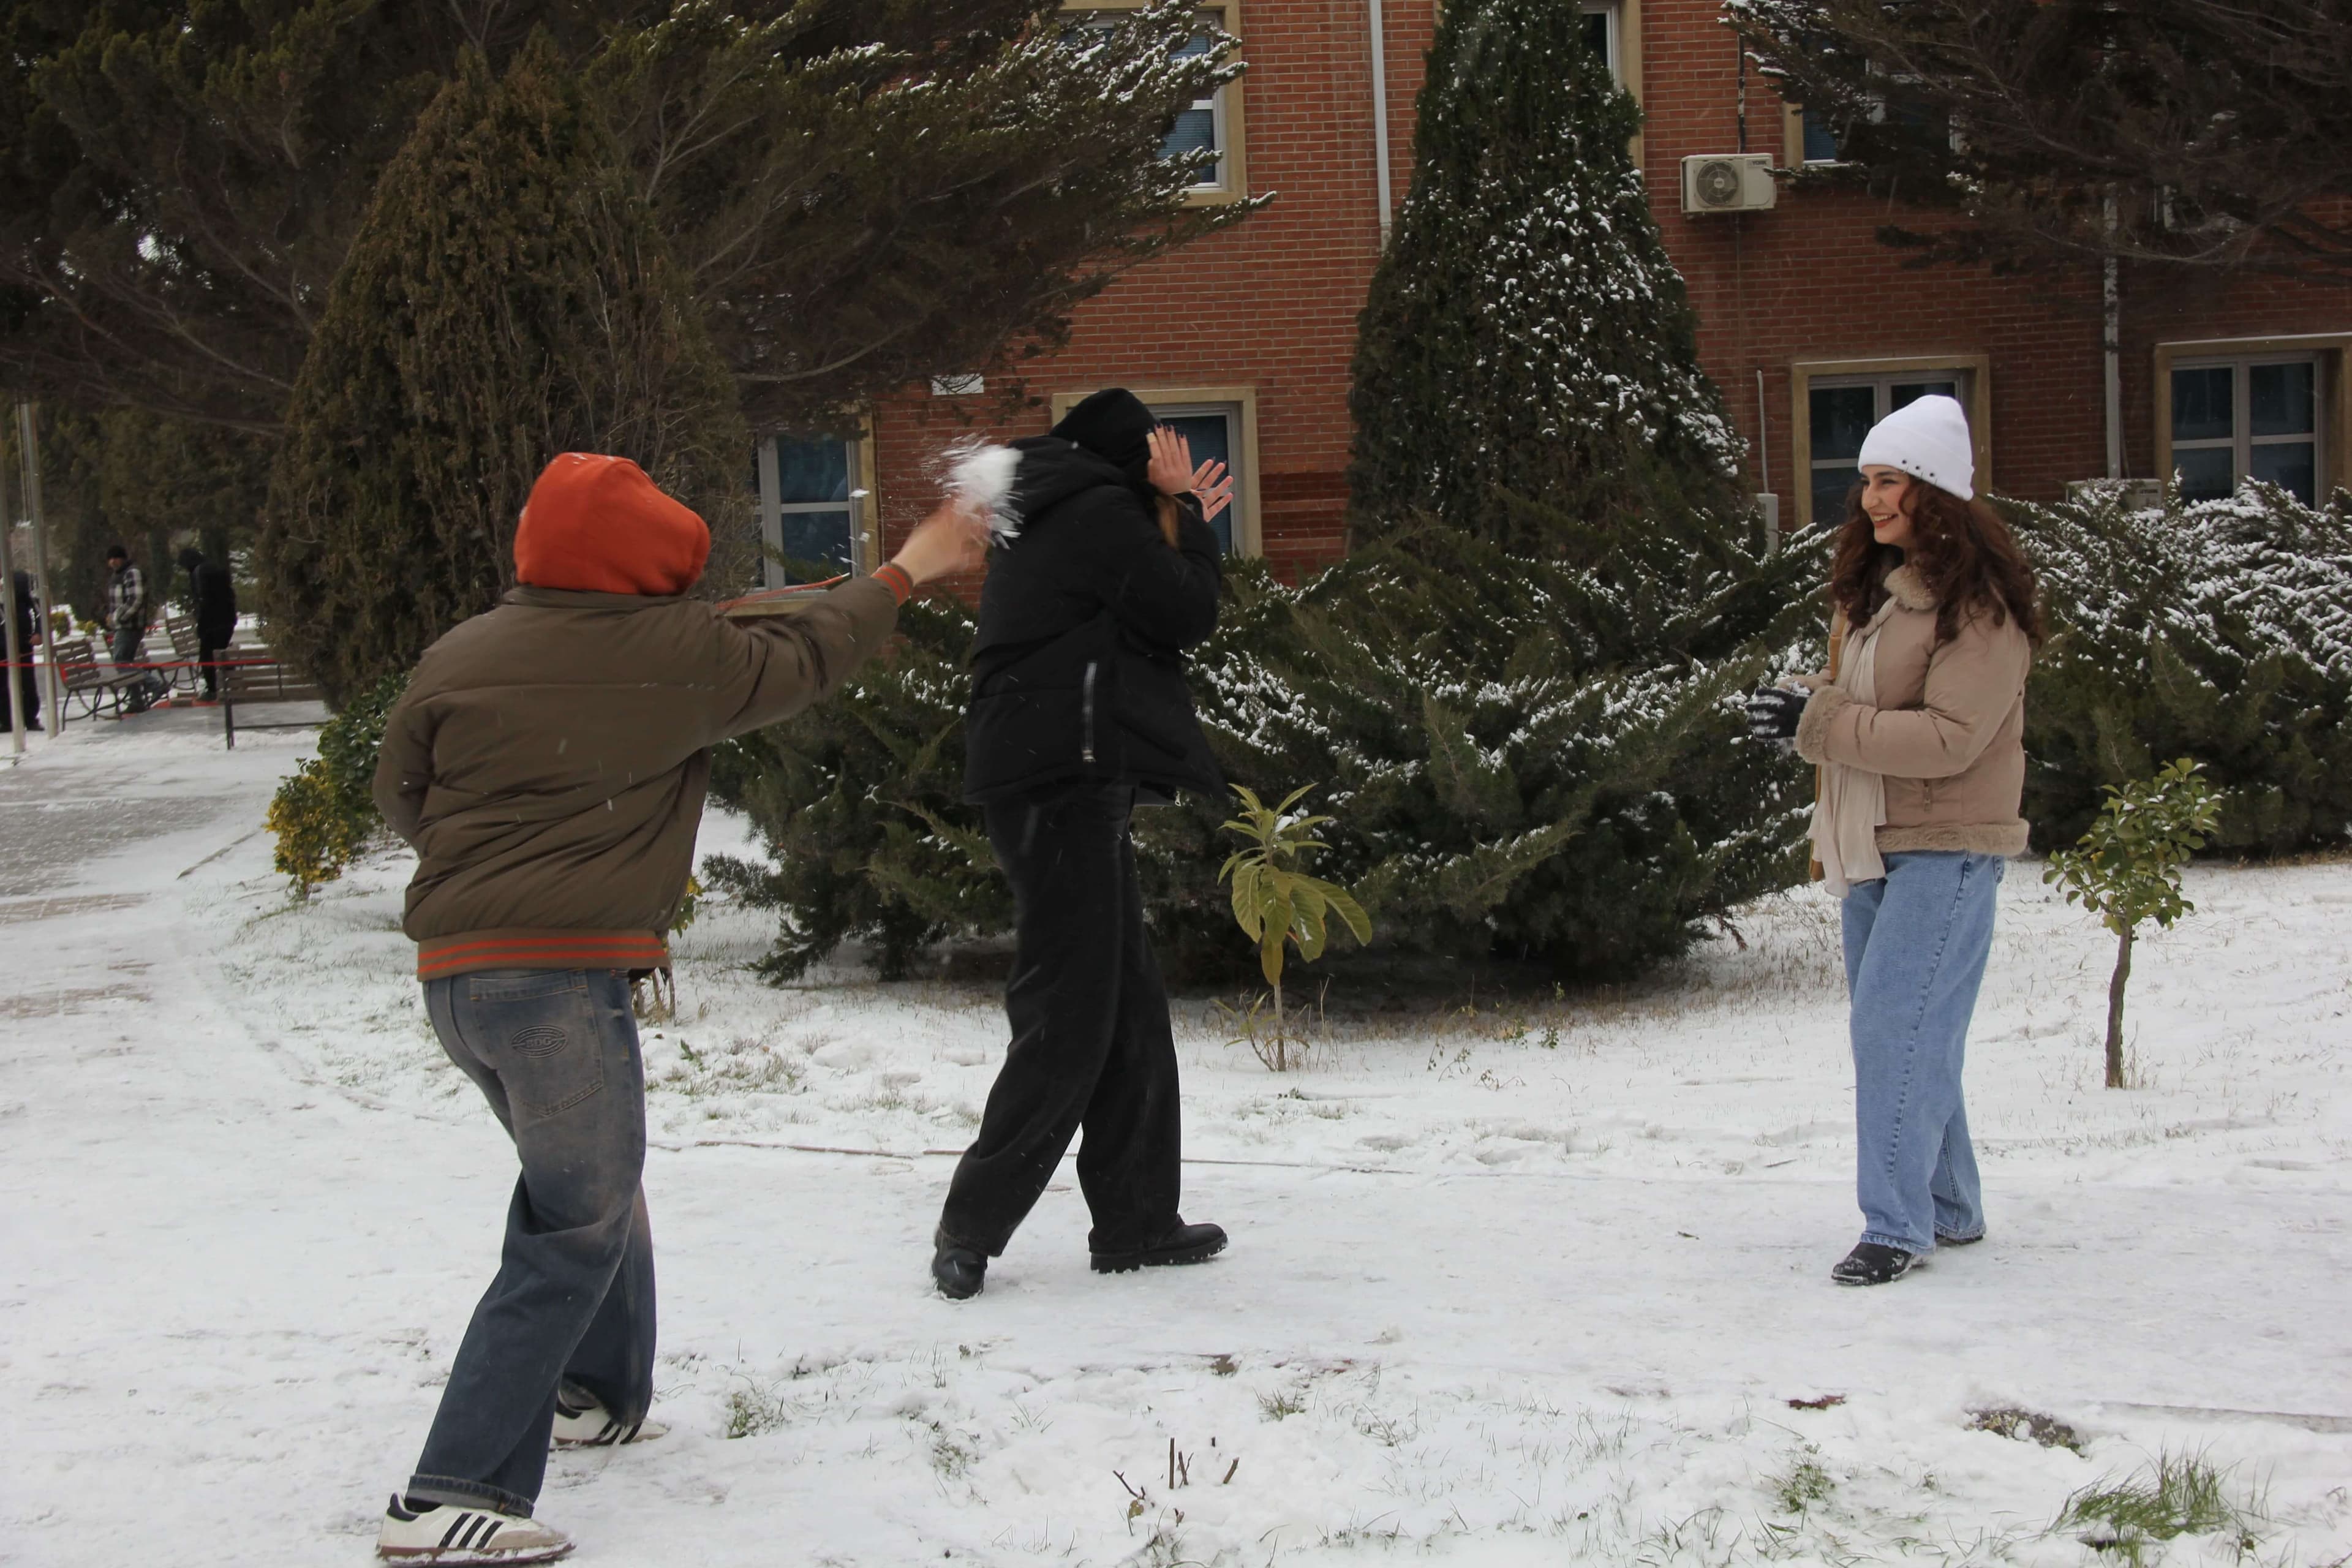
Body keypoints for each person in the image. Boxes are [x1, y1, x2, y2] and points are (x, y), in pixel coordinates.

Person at [368, 453, 987, 1563]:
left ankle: (596, 1392)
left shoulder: (461, 651)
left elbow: (399, 788)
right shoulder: (671, 657)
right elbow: (808, 652)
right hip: (556, 984)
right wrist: (912, 566)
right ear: (649, 569)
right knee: (575, 1222)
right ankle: (449, 1494)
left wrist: (487, 879)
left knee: (592, 1188)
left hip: (458, 983)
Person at [931, 388, 1236, 1300]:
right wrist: (1187, 510)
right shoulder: (1101, 511)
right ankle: (971, 1225)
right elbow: (1184, 610)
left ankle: (1138, 1219)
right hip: (1061, 781)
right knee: (1070, 1011)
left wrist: (1169, 510)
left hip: (1056, 777)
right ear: (1135, 458)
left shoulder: (1060, 507)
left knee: (1128, 1005)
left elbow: (1141, 611)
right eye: (1161, 454)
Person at [1746, 394, 2042, 1287]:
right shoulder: (1876, 595)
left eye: (1892, 483)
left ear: (1939, 494)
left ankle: (1895, 1226)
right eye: (1867, 481)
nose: (1872, 500)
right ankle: (1950, 1207)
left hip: (1946, 846)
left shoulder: (1980, 610)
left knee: (1893, 1032)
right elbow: (1864, 706)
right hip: (1870, 840)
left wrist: (1823, 720)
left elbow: (1952, 738)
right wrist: (1800, 701)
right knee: (1915, 1032)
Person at [102, 544, 169, 713]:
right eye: (110, 559)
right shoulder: (118, 575)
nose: (112, 562)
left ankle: (156, 686)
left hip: (130, 626)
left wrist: (117, 617)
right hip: (122, 626)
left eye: (115, 558)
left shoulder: (132, 573)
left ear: (122, 558)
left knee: (121, 663)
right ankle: (136, 700)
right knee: (125, 662)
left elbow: (136, 600)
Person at [176, 546, 238, 702]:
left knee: (207, 655)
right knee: (221, 652)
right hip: (228, 619)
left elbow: (204, 599)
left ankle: (212, 689)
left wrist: (202, 625)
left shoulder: (198, 573)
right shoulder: (214, 568)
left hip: (212, 621)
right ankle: (230, 684)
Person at [4, 569, 39, 733]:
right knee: (2, 685)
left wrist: (38, 632)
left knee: (27, 682)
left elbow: (38, 612)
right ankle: (6, 720)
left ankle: (30, 718)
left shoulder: (22, 585)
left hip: (23, 641)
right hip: (2, 644)